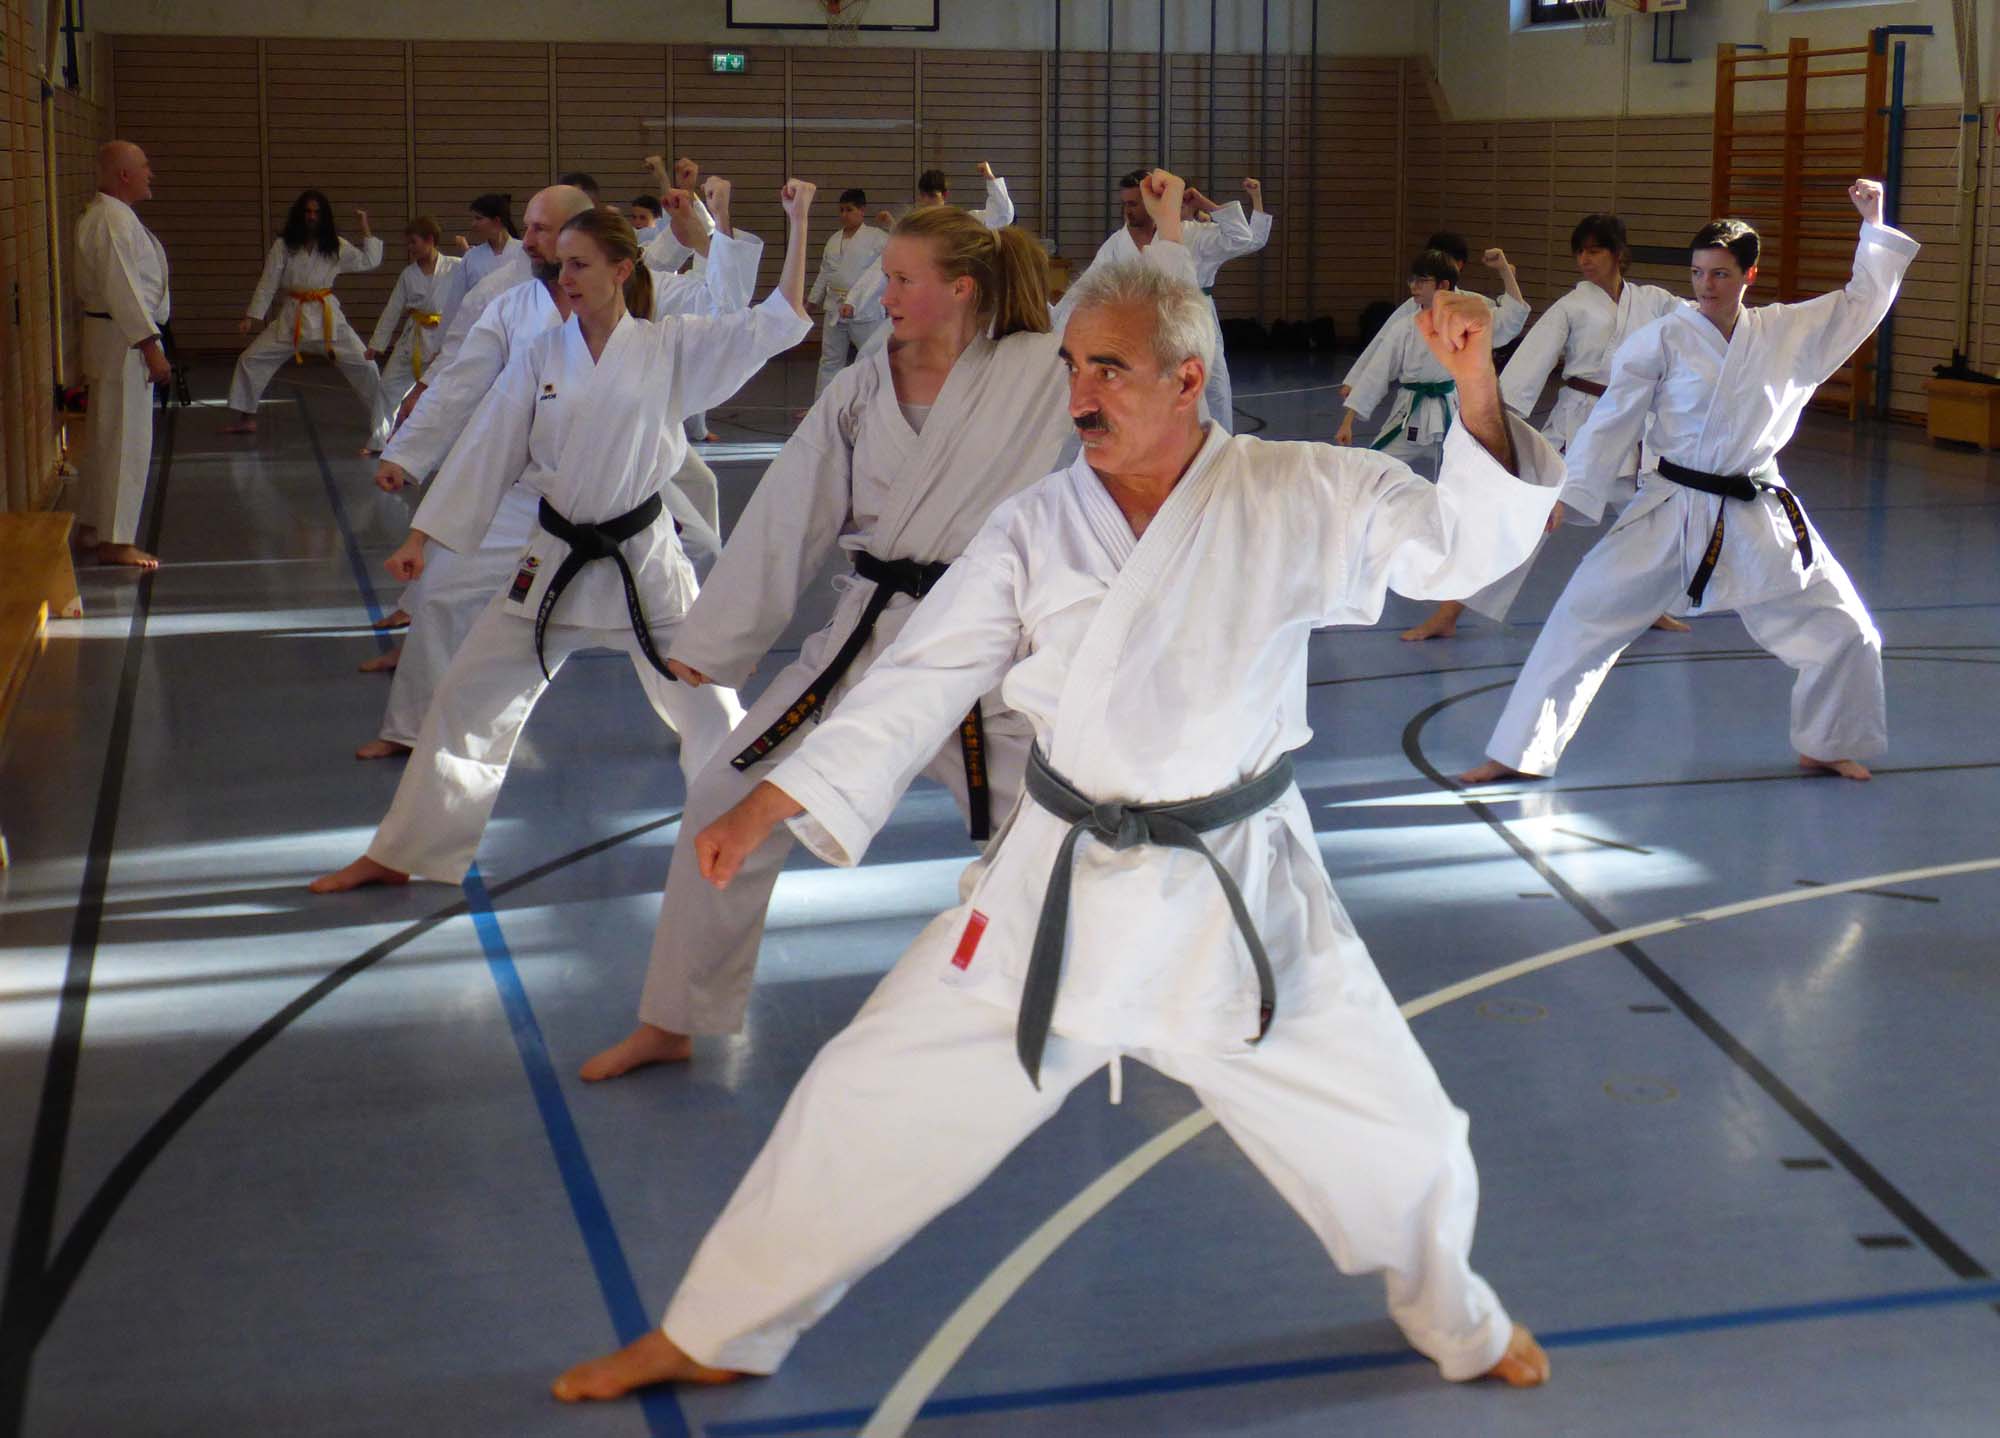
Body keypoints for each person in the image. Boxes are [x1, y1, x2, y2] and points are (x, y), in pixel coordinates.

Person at [554, 263, 1560, 1404]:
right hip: (1055, 892)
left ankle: (1457, 1317)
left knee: (1403, 1134)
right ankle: (719, 1328)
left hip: (1236, 899)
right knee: (864, 1099)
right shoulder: (1037, 523)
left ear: (1188, 380)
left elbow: (1454, 548)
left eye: (1109, 371)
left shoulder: (1295, 489)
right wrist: (771, 799)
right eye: (1072, 367)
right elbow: (922, 675)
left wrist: (1477, 395)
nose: (1079, 396)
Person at [579, 171, 1204, 1084]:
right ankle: (675, 1016)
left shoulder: (1042, 367)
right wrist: (716, 642)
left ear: (962, 290)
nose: (883, 295)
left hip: (996, 647)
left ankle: (1140, 1000)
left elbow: (1154, 315)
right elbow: (793, 509)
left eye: (904, 280)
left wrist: (1171, 224)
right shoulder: (864, 385)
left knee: (1061, 827)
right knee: (723, 796)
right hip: (866, 641)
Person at [309, 186, 816, 895]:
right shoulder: (544, 353)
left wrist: (798, 223)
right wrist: (423, 536)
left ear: (621, 270)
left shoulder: (670, 345)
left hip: (643, 566)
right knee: (466, 698)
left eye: (580, 265)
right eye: (563, 265)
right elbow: (490, 446)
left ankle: (738, 838)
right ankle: (404, 851)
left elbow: (774, 323)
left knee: (711, 708)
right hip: (552, 562)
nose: (566, 278)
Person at [1459, 180, 1915, 787]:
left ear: (1749, 276)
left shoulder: (1785, 331)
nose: (1706, 286)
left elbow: (1860, 303)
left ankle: (1828, 743)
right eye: (1698, 273)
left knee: (1847, 632)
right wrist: (1571, 494)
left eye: (1721, 274)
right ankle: (1517, 751)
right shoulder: (1664, 337)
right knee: (1580, 615)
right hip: (1670, 508)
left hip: (1757, 510)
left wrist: (1873, 226)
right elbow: (1613, 419)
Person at [355, 182, 758, 759]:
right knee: (440, 589)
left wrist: (712, 238)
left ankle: (704, 722)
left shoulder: (647, 290)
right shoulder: (508, 301)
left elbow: (729, 316)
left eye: (542, 229)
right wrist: (407, 452)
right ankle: (410, 728)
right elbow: (462, 381)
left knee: (692, 566)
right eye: (530, 227)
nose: (529, 240)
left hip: (627, 487)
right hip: (528, 487)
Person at [1405, 212, 1687, 641]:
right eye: (1580, 252)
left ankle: (1651, 606)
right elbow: (1532, 361)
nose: (1585, 260)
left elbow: (1697, 322)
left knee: (1648, 523)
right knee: (1525, 518)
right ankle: (1449, 611)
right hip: (1579, 426)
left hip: (1630, 429)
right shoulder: (1572, 306)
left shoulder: (1652, 301)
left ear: (1618, 254)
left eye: (1595, 251)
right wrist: (1501, 421)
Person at [72, 139, 172, 570]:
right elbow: (123, 289)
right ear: (125, 174)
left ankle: (93, 525)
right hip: (124, 341)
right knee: (126, 441)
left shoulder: (110, 215)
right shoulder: (111, 220)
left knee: (106, 437)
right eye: (145, 166)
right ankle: (115, 540)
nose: (151, 174)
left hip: (115, 338)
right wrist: (150, 347)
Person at [220, 191, 383, 438]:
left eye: (316, 212)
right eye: (307, 211)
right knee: (251, 359)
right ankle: (246, 418)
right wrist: (251, 317)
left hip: (328, 319)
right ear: (300, 214)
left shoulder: (336, 245)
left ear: (324, 216)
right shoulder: (284, 246)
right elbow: (268, 282)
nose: (312, 216)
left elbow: (369, 261)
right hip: (292, 317)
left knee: (366, 366)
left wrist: (365, 227)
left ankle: (383, 420)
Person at [839, 161, 1014, 345]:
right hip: (920, 306)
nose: (927, 201)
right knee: (883, 349)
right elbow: (883, 267)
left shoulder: (962, 224)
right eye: (924, 195)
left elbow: (1002, 216)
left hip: (956, 306)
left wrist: (991, 180)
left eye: (932, 195)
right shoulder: (916, 230)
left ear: (944, 195)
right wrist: (854, 300)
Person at [363, 217, 461, 458]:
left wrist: (467, 249)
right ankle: (380, 440)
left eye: (413, 242)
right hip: (413, 339)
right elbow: (393, 310)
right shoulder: (408, 274)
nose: (410, 248)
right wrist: (377, 344)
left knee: (443, 394)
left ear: (430, 240)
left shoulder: (455, 266)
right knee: (388, 385)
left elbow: (482, 280)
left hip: (443, 339)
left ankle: (442, 445)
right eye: (408, 243)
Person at [807, 187, 890, 396]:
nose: (844, 215)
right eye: (841, 210)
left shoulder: (877, 237)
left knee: (873, 357)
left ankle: (876, 402)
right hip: (834, 306)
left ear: (862, 210)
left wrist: (891, 224)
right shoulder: (834, 240)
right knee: (830, 360)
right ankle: (822, 405)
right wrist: (812, 300)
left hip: (865, 308)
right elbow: (825, 272)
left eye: (849, 210)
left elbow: (886, 265)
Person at [436, 192, 523, 334]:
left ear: (496, 221)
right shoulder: (472, 258)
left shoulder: (525, 253)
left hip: (520, 329)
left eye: (479, 218)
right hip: (482, 331)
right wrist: (441, 340)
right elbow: (454, 302)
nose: (473, 224)